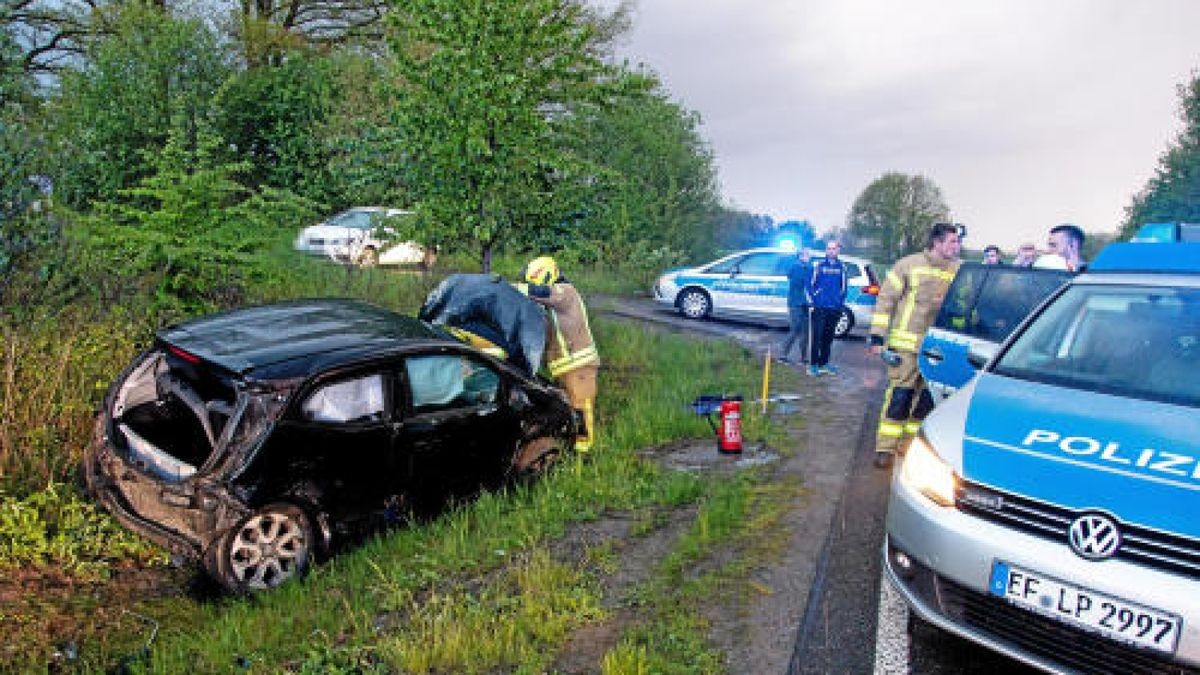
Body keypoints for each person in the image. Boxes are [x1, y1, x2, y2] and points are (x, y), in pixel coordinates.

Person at [868, 223, 962, 469]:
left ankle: (908, 444)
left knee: (927, 401)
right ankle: (885, 448)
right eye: (952, 241)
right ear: (937, 243)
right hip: (905, 346)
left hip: (938, 350)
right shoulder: (908, 265)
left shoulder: (959, 271)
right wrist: (877, 336)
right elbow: (885, 300)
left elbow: (963, 310)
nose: (957, 246)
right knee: (900, 396)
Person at [521, 256, 600, 453]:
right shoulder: (549, 304)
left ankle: (584, 453)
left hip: (578, 365)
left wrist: (510, 287)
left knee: (581, 407)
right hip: (564, 366)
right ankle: (571, 444)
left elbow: (542, 293)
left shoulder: (566, 292)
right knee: (567, 408)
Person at [807, 240, 849, 376]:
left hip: (834, 308)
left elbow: (844, 288)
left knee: (828, 337)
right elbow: (809, 285)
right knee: (817, 337)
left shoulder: (842, 267)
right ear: (826, 250)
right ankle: (813, 365)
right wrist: (814, 301)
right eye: (829, 249)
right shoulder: (818, 265)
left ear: (838, 250)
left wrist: (840, 304)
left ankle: (824, 363)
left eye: (834, 249)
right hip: (819, 308)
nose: (831, 251)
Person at [777, 248, 812, 364]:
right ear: (800, 256)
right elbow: (796, 281)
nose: (808, 256)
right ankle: (783, 355)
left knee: (805, 331)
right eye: (806, 254)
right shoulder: (795, 267)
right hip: (795, 302)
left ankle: (804, 358)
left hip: (806, 304)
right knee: (795, 328)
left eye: (809, 254)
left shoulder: (810, 267)